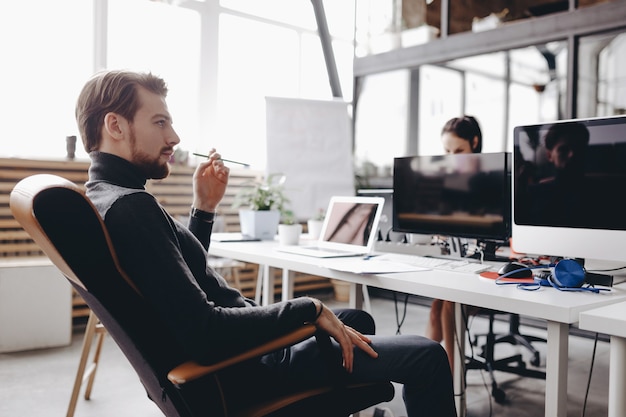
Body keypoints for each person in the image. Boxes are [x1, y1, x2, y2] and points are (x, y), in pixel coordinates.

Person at [75, 69, 457, 417]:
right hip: (247, 369)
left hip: (239, 361)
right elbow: (205, 332)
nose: (173, 137)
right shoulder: (132, 208)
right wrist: (306, 307)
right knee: (428, 356)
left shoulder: (109, 198)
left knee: (355, 321)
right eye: (160, 122)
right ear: (116, 126)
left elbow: (179, 281)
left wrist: (204, 209)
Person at [425, 115, 482, 372]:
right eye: (447, 151)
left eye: (458, 151)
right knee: (437, 307)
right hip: (458, 262)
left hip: (487, 270)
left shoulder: (491, 179)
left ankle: (449, 382)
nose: (452, 158)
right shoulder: (448, 182)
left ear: (475, 143)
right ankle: (424, 371)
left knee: (448, 304)